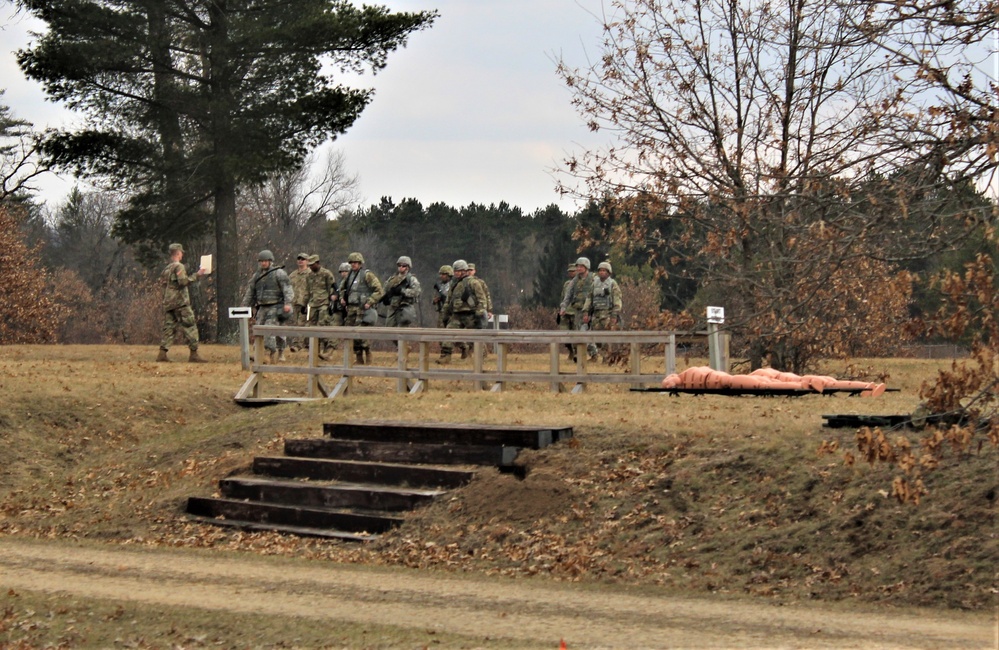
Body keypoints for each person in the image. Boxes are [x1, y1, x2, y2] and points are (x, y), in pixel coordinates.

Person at [240, 249, 294, 364]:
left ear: (270, 261)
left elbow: (287, 288)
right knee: (258, 329)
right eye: (261, 261)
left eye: (265, 261)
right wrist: (245, 305)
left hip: (276, 306)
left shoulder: (279, 273)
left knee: (270, 329)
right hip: (262, 306)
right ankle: (259, 353)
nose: (263, 263)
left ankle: (271, 353)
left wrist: (288, 303)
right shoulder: (257, 276)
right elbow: (250, 292)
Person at [157, 243, 207, 362]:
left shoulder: (167, 269)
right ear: (178, 253)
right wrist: (197, 275)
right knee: (190, 326)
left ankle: (162, 354)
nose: (183, 254)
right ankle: (194, 354)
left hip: (169, 303)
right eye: (182, 252)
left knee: (169, 328)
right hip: (180, 302)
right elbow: (183, 282)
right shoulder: (179, 267)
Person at [437, 259, 487, 365]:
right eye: (455, 271)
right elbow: (448, 300)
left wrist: (480, 312)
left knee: (476, 336)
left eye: (458, 271)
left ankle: (481, 355)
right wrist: (445, 314)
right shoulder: (454, 284)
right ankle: (445, 356)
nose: (455, 273)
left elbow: (482, 299)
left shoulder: (473, 282)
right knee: (449, 333)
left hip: (470, 314)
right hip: (456, 314)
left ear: (464, 271)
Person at [338, 251, 384, 365]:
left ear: (360, 263)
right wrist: (342, 298)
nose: (353, 264)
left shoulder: (367, 275)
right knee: (350, 334)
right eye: (352, 262)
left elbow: (379, 290)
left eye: (356, 262)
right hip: (351, 309)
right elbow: (341, 289)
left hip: (363, 309)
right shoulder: (348, 276)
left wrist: (370, 301)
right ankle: (358, 357)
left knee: (361, 334)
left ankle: (368, 353)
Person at [558, 257, 594, 362]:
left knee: (589, 332)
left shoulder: (593, 279)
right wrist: (564, 307)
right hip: (578, 310)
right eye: (578, 266)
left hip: (591, 310)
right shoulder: (574, 281)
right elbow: (568, 295)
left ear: (586, 267)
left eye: (581, 266)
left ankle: (594, 354)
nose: (578, 268)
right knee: (578, 333)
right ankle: (578, 355)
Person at [589, 261, 623, 361]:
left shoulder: (612, 284)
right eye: (600, 270)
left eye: (604, 270)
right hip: (596, 315)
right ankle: (603, 355)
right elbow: (589, 298)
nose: (602, 272)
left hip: (608, 315)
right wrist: (586, 312)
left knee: (606, 338)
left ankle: (607, 358)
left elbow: (617, 300)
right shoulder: (594, 284)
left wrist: (614, 315)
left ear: (608, 272)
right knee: (596, 338)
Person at [306, 254, 338, 358]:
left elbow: (333, 288)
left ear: (318, 263)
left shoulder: (326, 274)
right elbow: (308, 291)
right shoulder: (309, 276)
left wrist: (332, 299)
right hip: (313, 304)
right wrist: (304, 304)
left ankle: (328, 351)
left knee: (323, 326)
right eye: (310, 265)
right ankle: (314, 351)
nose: (311, 267)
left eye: (312, 265)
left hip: (324, 303)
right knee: (312, 327)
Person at [382, 256, 422, 328]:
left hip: (405, 307)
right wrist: (384, 297)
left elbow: (417, 291)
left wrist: (402, 291)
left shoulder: (411, 279)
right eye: (399, 265)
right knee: (389, 330)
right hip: (392, 307)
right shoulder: (392, 279)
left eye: (403, 266)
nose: (401, 267)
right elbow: (384, 289)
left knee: (403, 331)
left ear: (408, 267)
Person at [287, 252, 311, 353]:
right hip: (294, 302)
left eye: (303, 259)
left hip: (305, 303)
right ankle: (304, 343)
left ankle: (298, 345)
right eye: (299, 259)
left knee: (302, 323)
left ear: (307, 261)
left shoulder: (310, 274)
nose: (301, 261)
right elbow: (287, 288)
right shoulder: (292, 275)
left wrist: (309, 302)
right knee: (295, 324)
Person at [556, 262, 576, 359]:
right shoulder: (566, 284)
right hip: (565, 312)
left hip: (575, 312)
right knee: (564, 333)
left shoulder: (581, 283)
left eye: (573, 271)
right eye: (570, 272)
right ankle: (571, 351)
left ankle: (577, 353)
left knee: (576, 334)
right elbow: (563, 298)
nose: (571, 273)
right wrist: (561, 309)